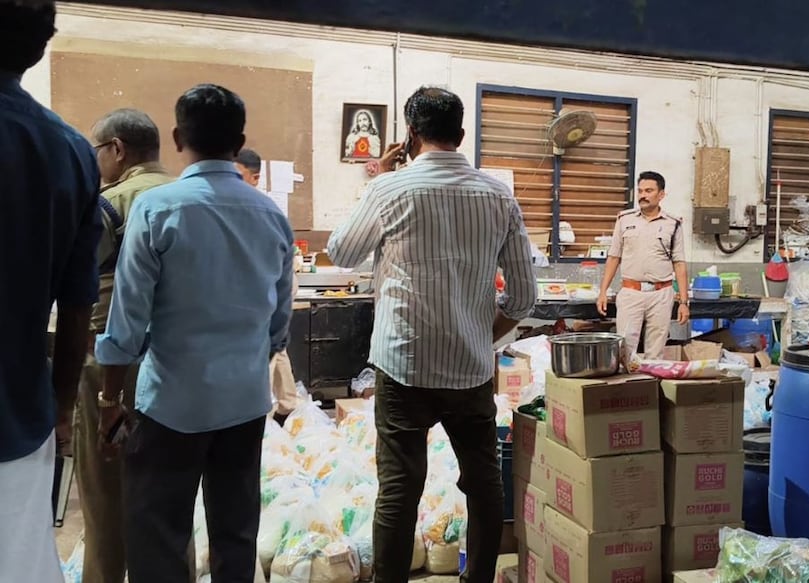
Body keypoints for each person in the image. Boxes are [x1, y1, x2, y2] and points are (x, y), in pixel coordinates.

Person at [327, 86, 536, 583]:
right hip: (470, 369)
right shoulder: (498, 196)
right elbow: (524, 298)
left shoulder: (389, 189)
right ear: (461, 135)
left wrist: (378, 176)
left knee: (399, 490)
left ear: (410, 134)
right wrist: (483, 337)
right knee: (484, 485)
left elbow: (341, 253)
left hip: (404, 366)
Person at [95, 83, 294, 582]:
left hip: (171, 406)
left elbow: (127, 321)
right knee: (235, 534)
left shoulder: (157, 209)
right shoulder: (272, 216)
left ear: (178, 138)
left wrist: (109, 401)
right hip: (244, 404)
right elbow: (279, 321)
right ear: (239, 142)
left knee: (158, 536)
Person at [0, 2, 101, 581]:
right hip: (19, 415)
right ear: (38, 51)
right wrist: (62, 407)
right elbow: (78, 302)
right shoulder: (69, 151)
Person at [75, 108, 175, 583]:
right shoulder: (186, 196)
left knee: (106, 492)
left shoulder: (109, 204)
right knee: (169, 495)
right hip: (175, 368)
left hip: (112, 367)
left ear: (116, 149)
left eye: (96, 151)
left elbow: (77, 286)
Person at [234, 146, 301, 422]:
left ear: (255, 178)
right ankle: (287, 403)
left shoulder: (263, 210)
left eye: (238, 175)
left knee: (269, 345)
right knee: (277, 347)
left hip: (272, 286)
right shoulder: (237, 204)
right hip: (258, 286)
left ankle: (266, 410)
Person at [596, 171, 690, 360]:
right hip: (631, 292)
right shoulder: (624, 219)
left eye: (648, 191)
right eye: (640, 191)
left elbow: (679, 264)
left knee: (656, 350)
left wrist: (684, 303)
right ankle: (628, 379)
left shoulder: (673, 224)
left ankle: (651, 378)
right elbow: (613, 257)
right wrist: (603, 292)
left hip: (661, 294)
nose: (643, 195)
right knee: (625, 350)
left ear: (661, 194)